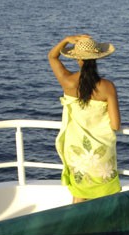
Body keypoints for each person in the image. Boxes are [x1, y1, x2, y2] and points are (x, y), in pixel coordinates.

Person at [48, 34, 121, 203]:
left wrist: (66, 40)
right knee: (109, 198)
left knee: (79, 196)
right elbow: (116, 125)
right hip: (101, 152)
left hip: (76, 152)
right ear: (97, 59)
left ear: (77, 59)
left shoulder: (67, 82)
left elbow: (52, 56)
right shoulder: (107, 87)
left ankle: (77, 228)